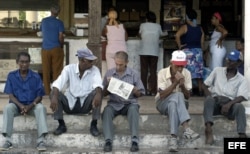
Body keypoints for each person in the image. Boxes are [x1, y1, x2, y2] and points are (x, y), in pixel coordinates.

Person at [0, 52, 48, 151]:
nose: (24, 64)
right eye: (22, 62)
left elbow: (40, 96)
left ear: (29, 63)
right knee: (8, 108)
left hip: (32, 105)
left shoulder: (35, 76)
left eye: (26, 62)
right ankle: (8, 140)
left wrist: (30, 106)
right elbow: (10, 95)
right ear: (17, 62)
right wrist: (21, 106)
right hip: (17, 105)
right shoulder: (12, 76)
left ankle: (41, 141)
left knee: (41, 108)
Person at [50, 48, 103, 137]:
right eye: (90, 61)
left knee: (98, 93)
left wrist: (98, 94)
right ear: (82, 61)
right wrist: (54, 96)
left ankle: (94, 125)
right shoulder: (68, 69)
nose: (92, 63)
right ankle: (61, 124)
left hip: (85, 105)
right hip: (70, 105)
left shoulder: (95, 70)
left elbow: (98, 84)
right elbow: (58, 83)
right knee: (54, 93)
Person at [155, 50, 200, 152]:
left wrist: (182, 85)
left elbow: (187, 97)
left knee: (174, 103)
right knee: (176, 96)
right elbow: (162, 95)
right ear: (171, 63)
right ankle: (186, 128)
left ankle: (173, 139)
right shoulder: (162, 73)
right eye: (177, 66)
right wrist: (175, 83)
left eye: (182, 66)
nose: (180, 68)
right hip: (162, 103)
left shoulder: (187, 73)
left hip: (181, 105)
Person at [102, 51, 145, 152]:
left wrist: (135, 90)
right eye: (116, 64)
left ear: (127, 62)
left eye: (120, 64)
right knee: (106, 111)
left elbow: (141, 93)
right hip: (114, 103)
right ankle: (108, 141)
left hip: (129, 104)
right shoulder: (109, 73)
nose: (118, 67)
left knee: (134, 109)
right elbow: (103, 94)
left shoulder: (134, 74)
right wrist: (108, 86)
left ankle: (134, 141)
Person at [203, 50, 248, 145]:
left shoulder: (242, 79)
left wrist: (229, 104)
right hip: (216, 102)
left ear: (239, 63)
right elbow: (205, 85)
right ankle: (208, 129)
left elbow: (242, 96)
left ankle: (242, 134)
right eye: (228, 59)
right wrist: (210, 96)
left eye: (232, 61)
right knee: (208, 100)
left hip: (229, 106)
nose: (228, 62)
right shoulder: (217, 70)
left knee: (240, 107)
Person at [175, 9, 205, 96]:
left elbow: (177, 35)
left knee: (187, 72)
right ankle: (200, 91)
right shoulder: (200, 28)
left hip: (188, 52)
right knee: (198, 72)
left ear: (187, 18)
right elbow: (202, 42)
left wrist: (179, 46)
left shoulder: (185, 27)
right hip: (198, 52)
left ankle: (189, 90)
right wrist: (202, 51)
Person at [138, 11, 167, 96]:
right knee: (153, 71)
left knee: (144, 71)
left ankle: (143, 90)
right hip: (154, 51)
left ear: (146, 19)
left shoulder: (142, 25)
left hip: (144, 51)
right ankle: (153, 90)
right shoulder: (158, 26)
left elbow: (139, 34)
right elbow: (162, 34)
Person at [41, 4, 65, 95]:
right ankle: (55, 92)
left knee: (46, 70)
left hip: (45, 48)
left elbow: (42, 31)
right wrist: (61, 45)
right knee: (57, 71)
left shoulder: (44, 21)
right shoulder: (59, 23)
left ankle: (47, 92)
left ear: (50, 11)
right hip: (56, 48)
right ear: (58, 12)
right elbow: (60, 37)